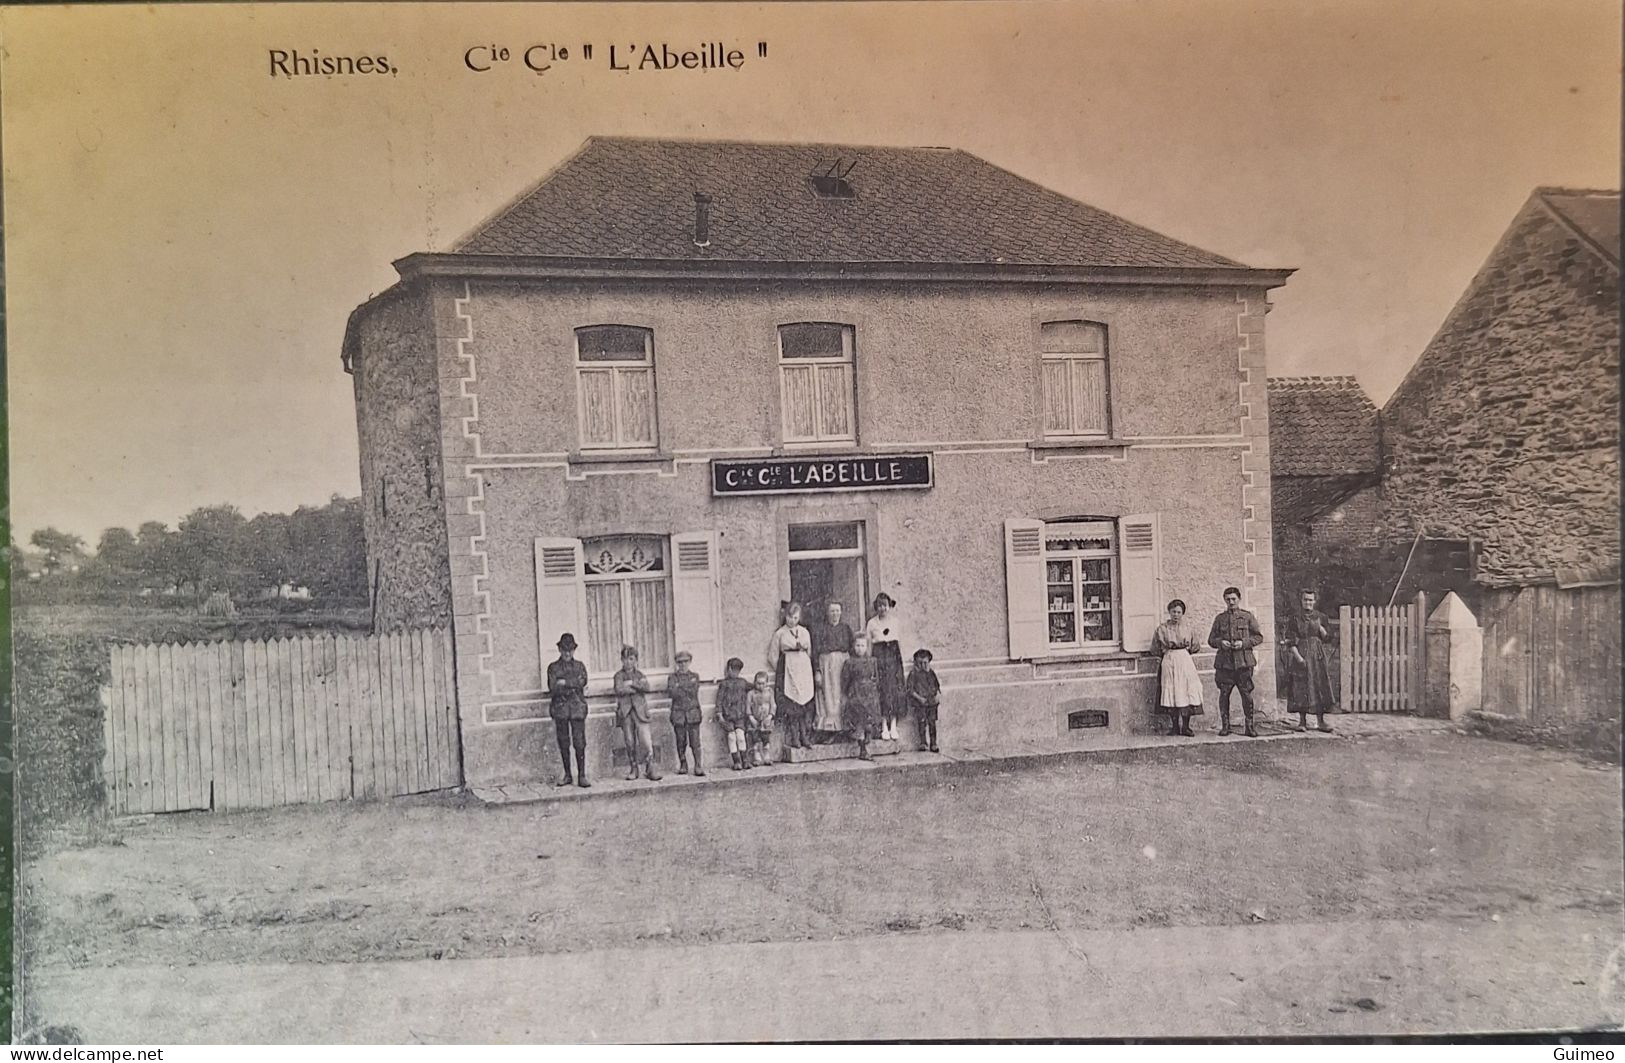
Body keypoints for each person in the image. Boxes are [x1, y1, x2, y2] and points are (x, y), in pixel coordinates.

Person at [1207, 586, 1264, 738]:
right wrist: (1221, 643)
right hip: (1225, 664)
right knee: (1224, 694)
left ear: (1239, 599)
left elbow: (1258, 637)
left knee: (1246, 694)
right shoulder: (1220, 619)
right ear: (1224, 600)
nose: (1231, 602)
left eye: (1233, 599)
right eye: (1228, 599)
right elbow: (1211, 640)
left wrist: (1243, 643)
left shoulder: (1247, 617)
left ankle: (1249, 726)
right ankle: (1226, 726)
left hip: (1243, 663)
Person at [1282, 588, 1337, 733]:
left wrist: (1324, 632)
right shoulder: (1295, 618)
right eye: (1305, 599)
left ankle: (1321, 721)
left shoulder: (1321, 617)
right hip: (1301, 652)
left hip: (1317, 655)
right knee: (1301, 686)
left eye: (1311, 600)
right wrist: (1299, 658)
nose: (1308, 602)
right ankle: (1302, 721)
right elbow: (1290, 640)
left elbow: (1329, 638)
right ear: (1301, 601)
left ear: (1315, 601)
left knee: (1319, 685)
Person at [767, 600, 816, 751]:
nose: (792, 621)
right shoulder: (780, 633)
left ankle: (805, 736)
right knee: (793, 707)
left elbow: (809, 652)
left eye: (795, 618)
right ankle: (795, 737)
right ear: (785, 616)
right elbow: (773, 656)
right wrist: (782, 670)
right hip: (788, 670)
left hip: (803, 670)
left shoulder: (804, 632)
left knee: (804, 703)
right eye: (789, 617)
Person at [1152, 600, 1205, 737]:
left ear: (1183, 613)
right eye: (1173, 612)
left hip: (1184, 659)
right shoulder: (1162, 629)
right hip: (1169, 659)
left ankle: (1186, 727)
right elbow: (1155, 648)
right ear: (1169, 612)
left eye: (1179, 612)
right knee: (1172, 692)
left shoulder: (1188, 628)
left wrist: (1184, 653)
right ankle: (1175, 726)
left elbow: (1195, 646)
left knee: (1187, 691)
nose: (1176, 615)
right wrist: (1167, 654)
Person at [545, 632, 591, 788]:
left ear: (574, 650)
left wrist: (564, 682)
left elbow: (582, 681)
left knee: (579, 742)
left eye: (570, 649)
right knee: (563, 742)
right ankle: (567, 775)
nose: (567, 653)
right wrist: (572, 683)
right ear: (559, 649)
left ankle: (582, 775)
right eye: (564, 649)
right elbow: (553, 687)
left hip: (577, 708)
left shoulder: (580, 666)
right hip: (561, 709)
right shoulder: (553, 667)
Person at [613, 645, 661, 782]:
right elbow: (619, 689)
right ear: (622, 660)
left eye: (631, 659)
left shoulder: (640, 675)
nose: (628, 662)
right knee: (629, 740)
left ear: (636, 660)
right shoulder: (618, 676)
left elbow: (647, 687)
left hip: (640, 711)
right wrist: (635, 687)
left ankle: (650, 767)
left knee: (645, 740)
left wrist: (632, 684)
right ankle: (633, 767)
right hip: (626, 712)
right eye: (625, 659)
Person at [811, 601, 856, 742]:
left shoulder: (846, 628)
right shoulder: (821, 629)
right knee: (827, 697)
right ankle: (829, 731)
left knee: (841, 695)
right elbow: (816, 652)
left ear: (841, 612)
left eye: (837, 611)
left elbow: (852, 649)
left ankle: (843, 729)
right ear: (827, 613)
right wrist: (817, 671)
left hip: (842, 665)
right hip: (826, 665)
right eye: (832, 611)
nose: (835, 614)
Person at [865, 593, 907, 742]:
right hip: (879, 657)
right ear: (876, 607)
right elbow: (869, 644)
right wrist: (870, 662)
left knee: (894, 690)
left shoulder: (895, 622)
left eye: (885, 605)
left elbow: (898, 642)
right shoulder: (871, 623)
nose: (882, 608)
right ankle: (884, 725)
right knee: (881, 690)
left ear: (889, 607)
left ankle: (893, 725)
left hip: (892, 657)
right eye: (880, 605)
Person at [841, 633, 881, 761]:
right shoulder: (849, 662)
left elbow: (876, 678)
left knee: (869, 721)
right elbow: (845, 680)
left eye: (862, 645)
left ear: (867, 647)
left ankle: (868, 740)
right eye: (857, 645)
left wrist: (873, 689)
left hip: (869, 694)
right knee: (859, 721)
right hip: (856, 693)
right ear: (853, 646)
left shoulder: (872, 661)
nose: (860, 648)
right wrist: (848, 694)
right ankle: (863, 750)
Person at [668, 650, 705, 776]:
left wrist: (680, 686)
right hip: (678, 714)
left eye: (685, 662)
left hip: (692, 713)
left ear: (690, 662)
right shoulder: (672, 678)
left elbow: (693, 691)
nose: (683, 665)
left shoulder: (695, 676)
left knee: (695, 742)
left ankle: (698, 765)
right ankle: (683, 764)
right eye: (680, 662)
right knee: (680, 741)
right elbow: (673, 693)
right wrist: (685, 687)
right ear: (676, 663)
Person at [716, 657, 752, 771]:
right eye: (733, 670)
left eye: (737, 670)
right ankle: (736, 761)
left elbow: (754, 687)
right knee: (732, 737)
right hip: (728, 716)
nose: (735, 673)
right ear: (728, 670)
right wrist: (720, 715)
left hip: (740, 716)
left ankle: (745, 760)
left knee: (741, 737)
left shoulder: (743, 682)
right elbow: (719, 700)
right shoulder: (724, 684)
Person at [906, 647, 941, 752]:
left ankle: (933, 743)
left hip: (931, 703)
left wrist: (937, 696)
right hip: (920, 703)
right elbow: (910, 690)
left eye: (925, 663)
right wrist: (919, 698)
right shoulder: (913, 674)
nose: (923, 666)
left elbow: (937, 686)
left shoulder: (931, 673)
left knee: (932, 723)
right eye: (920, 663)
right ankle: (923, 742)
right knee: (921, 722)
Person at [747, 670, 777, 767]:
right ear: (755, 683)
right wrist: (751, 717)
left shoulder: (769, 692)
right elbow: (747, 707)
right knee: (755, 739)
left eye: (763, 683)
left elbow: (773, 705)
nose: (761, 686)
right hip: (755, 720)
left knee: (766, 738)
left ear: (767, 683)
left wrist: (770, 716)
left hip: (766, 720)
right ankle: (757, 757)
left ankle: (767, 756)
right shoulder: (751, 694)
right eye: (758, 683)